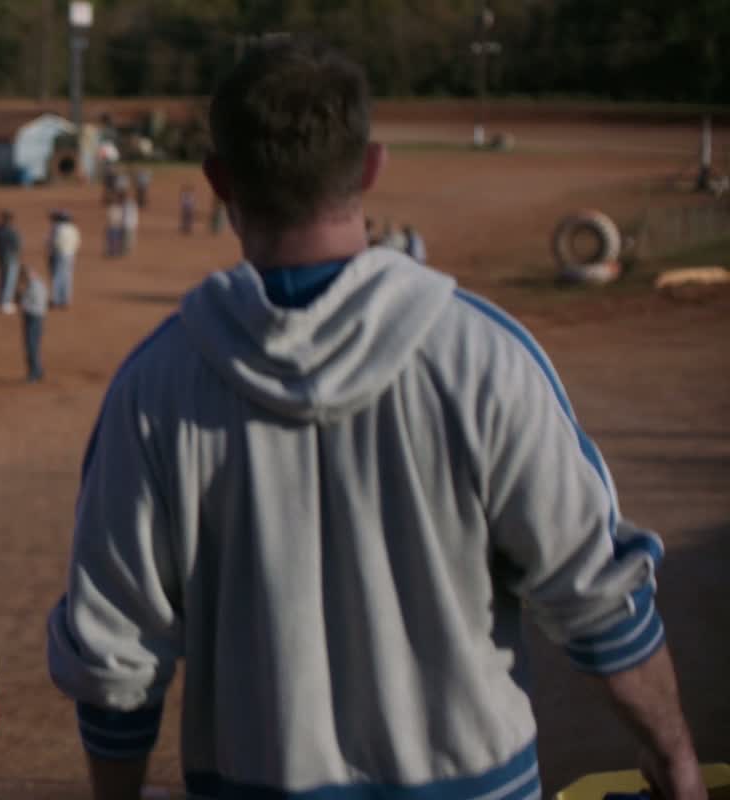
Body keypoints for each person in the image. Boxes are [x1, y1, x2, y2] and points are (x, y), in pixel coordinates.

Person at [47, 38, 702, 800]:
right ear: (370, 168)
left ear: (219, 181)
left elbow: (113, 655)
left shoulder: (153, 387)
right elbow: (598, 596)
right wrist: (675, 760)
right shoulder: (484, 356)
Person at [0, 210, 22, 313]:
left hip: (1, 257)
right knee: (9, 280)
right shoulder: (12, 231)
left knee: (3, 278)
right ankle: (5, 302)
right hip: (11, 258)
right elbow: (17, 246)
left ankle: (0, 299)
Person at [48, 210, 82, 309]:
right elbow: (77, 242)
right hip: (70, 255)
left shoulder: (58, 228)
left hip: (59, 254)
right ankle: (66, 300)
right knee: (67, 277)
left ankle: (56, 300)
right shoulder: (73, 228)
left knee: (57, 276)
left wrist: (51, 253)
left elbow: (53, 242)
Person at [19, 270, 47, 383]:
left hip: (33, 318)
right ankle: (38, 371)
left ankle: (34, 373)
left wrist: (21, 301)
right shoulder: (40, 285)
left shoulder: (33, 287)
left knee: (31, 346)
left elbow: (27, 305)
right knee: (33, 346)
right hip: (38, 318)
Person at [120, 190, 141, 255]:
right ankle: (128, 249)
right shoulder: (134, 204)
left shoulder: (125, 204)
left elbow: (123, 214)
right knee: (130, 237)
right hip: (132, 223)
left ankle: (126, 250)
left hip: (127, 223)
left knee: (126, 238)